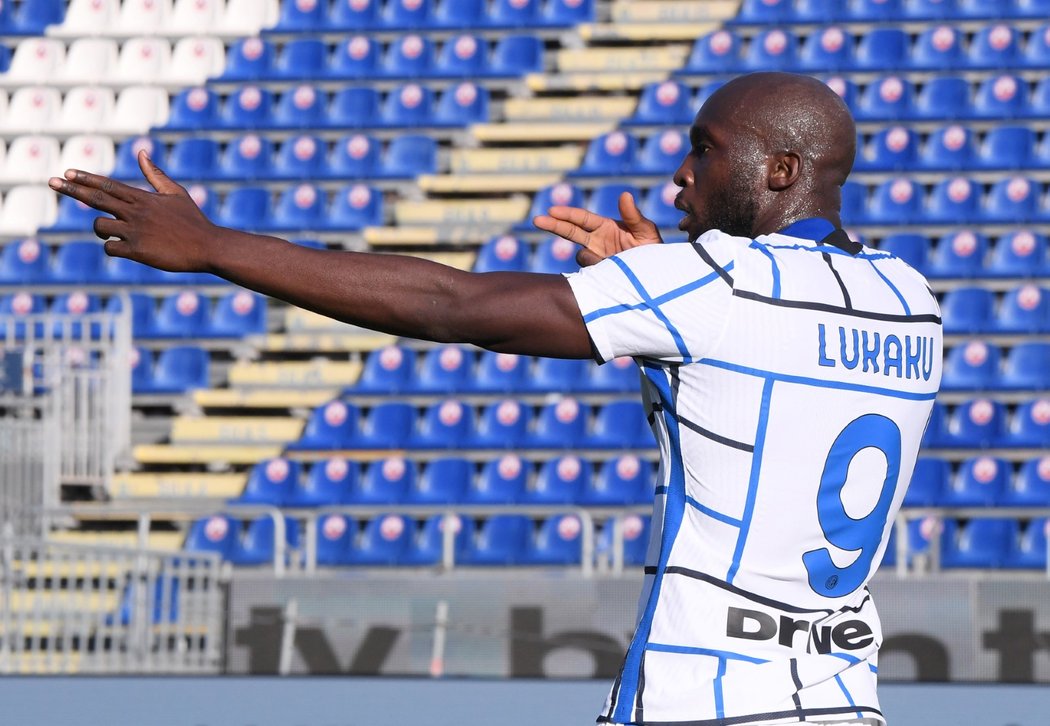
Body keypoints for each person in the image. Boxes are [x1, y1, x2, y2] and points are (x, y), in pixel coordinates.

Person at [51, 71, 941, 726]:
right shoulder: (910, 298)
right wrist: (653, 289)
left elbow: (457, 306)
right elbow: (756, 390)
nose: (680, 176)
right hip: (838, 699)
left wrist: (214, 245)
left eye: (705, 150)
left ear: (781, 169)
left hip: (705, 696)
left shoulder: (716, 282)